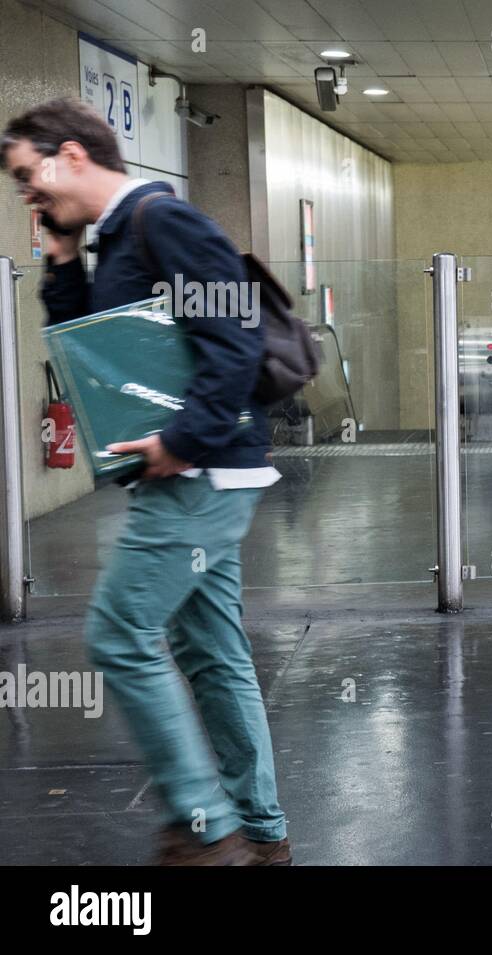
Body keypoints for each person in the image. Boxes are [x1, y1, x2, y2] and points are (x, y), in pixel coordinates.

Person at [2, 98, 290, 864]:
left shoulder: (164, 221)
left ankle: (202, 822)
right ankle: (261, 832)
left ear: (71, 153)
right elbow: (85, 345)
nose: (26, 192)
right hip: (197, 471)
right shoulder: (116, 238)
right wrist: (63, 257)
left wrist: (179, 439)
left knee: (118, 632)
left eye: (29, 175)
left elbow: (235, 338)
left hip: (200, 472)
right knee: (213, 654)